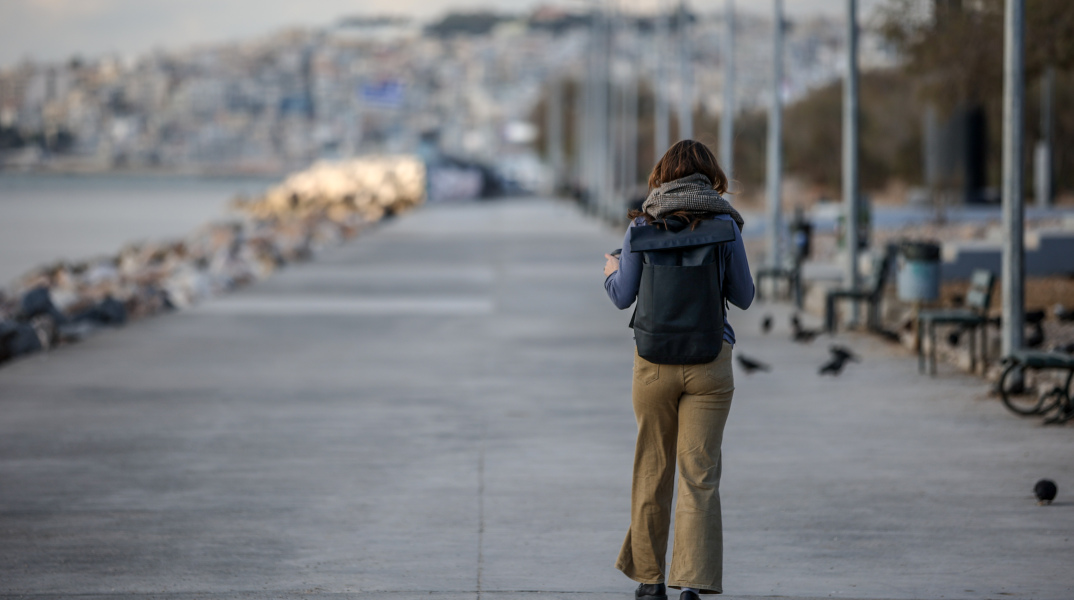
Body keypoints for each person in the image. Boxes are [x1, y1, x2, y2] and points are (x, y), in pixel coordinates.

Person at [603, 140, 754, 600]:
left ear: (662, 175)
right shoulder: (726, 226)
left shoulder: (641, 225)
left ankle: (650, 582)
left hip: (653, 363)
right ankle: (691, 583)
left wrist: (611, 270)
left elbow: (622, 296)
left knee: (652, 468)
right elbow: (744, 296)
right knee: (699, 475)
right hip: (709, 362)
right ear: (710, 177)